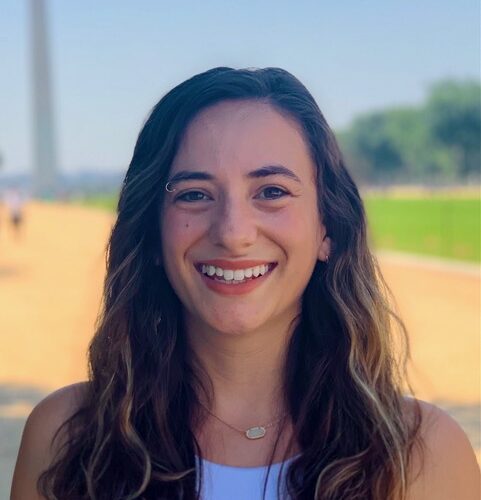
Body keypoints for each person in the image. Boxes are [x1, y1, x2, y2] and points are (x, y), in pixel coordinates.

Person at [11, 67, 479, 499]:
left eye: (271, 192)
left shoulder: (427, 454)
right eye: (194, 195)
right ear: (152, 233)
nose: (233, 233)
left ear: (327, 229)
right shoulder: (65, 437)